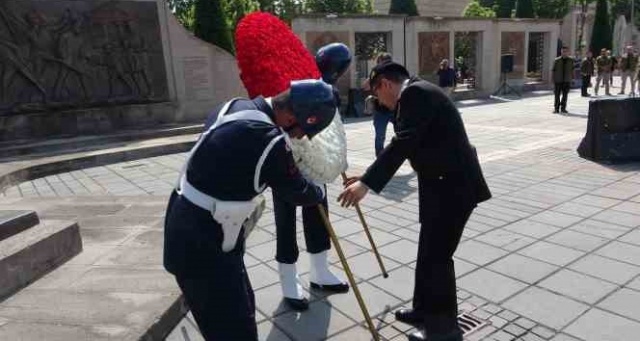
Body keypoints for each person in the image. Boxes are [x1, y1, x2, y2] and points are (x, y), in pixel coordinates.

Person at [163, 79, 337, 341]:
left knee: (240, 309)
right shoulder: (267, 139)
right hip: (204, 244)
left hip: (191, 224)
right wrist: (320, 190)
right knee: (234, 329)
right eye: (303, 131)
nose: (301, 137)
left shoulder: (235, 105)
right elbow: (298, 190)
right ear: (290, 116)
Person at [337, 62, 491, 341]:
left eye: (376, 95)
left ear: (385, 84)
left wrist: (367, 183)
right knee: (427, 252)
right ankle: (423, 310)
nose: (378, 102)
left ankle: (444, 330)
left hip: (453, 189)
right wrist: (367, 175)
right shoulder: (419, 93)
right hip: (441, 186)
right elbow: (412, 141)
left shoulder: (415, 95)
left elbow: (404, 141)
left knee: (438, 258)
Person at [274, 43, 351, 311]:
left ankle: (320, 271)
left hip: (316, 157)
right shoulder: (296, 79)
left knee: (319, 212)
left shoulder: (325, 87)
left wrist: (333, 152)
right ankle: (288, 278)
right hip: (288, 152)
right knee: (286, 219)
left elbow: (329, 123)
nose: (337, 74)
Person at [363, 52, 396, 156]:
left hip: (395, 109)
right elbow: (365, 86)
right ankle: (380, 160)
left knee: (404, 134)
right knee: (380, 137)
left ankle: (410, 156)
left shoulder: (396, 72)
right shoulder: (375, 73)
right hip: (380, 110)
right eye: (382, 63)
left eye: (387, 62)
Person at [552, 46, 574, 113]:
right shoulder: (557, 60)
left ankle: (563, 108)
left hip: (567, 80)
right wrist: (552, 79)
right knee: (557, 95)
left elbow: (572, 70)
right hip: (558, 80)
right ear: (561, 52)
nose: (564, 53)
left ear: (568, 52)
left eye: (566, 51)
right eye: (563, 51)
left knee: (565, 95)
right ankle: (556, 108)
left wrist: (572, 79)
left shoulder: (571, 60)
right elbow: (553, 70)